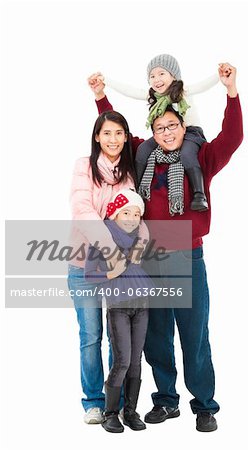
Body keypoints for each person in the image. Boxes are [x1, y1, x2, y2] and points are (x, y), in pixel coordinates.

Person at [89, 62, 243, 432]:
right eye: (160, 127)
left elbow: (233, 137)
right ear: (153, 131)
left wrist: (232, 92)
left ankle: (204, 405)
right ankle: (166, 401)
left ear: (184, 127)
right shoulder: (144, 157)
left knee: (194, 334)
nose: (167, 132)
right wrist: (100, 99)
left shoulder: (201, 159)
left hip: (188, 255)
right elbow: (117, 134)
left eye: (173, 126)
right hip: (149, 259)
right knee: (156, 335)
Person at [68, 111, 149, 425]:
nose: (113, 139)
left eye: (119, 133)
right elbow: (82, 209)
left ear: (126, 137)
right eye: (107, 133)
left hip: (122, 271)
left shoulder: (128, 173)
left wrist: (140, 243)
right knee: (91, 335)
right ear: (97, 137)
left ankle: (118, 406)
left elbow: (135, 215)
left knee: (121, 337)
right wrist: (111, 250)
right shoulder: (83, 167)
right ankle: (93, 401)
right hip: (84, 264)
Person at [88, 54, 219, 212]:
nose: (157, 79)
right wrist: (106, 82)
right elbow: (130, 91)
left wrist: (220, 75)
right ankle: (134, 188)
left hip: (190, 133)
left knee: (186, 154)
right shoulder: (153, 96)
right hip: (164, 134)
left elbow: (202, 86)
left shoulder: (182, 91)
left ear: (174, 76)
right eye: (152, 76)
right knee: (143, 150)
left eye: (162, 74)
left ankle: (199, 194)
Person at [84, 189, 154, 433]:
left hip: (142, 306)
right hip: (119, 308)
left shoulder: (139, 239)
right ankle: (110, 412)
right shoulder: (103, 239)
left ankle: (131, 411)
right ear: (114, 213)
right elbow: (89, 274)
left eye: (136, 214)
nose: (131, 218)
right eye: (126, 212)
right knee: (122, 360)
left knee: (136, 361)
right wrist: (110, 273)